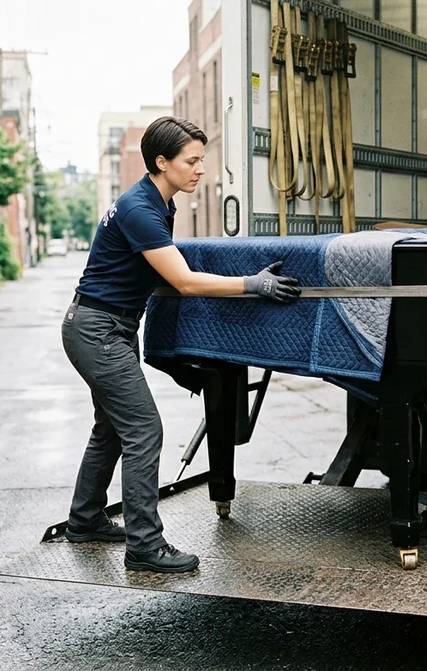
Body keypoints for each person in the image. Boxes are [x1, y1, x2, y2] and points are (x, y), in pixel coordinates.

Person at [61, 116, 301, 574]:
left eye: (201, 161)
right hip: (97, 330)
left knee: (111, 428)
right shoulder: (140, 209)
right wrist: (253, 284)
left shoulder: (156, 202)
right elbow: (185, 282)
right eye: (191, 161)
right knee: (143, 429)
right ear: (161, 162)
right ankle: (145, 547)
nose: (199, 170)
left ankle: (86, 519)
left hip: (106, 326)